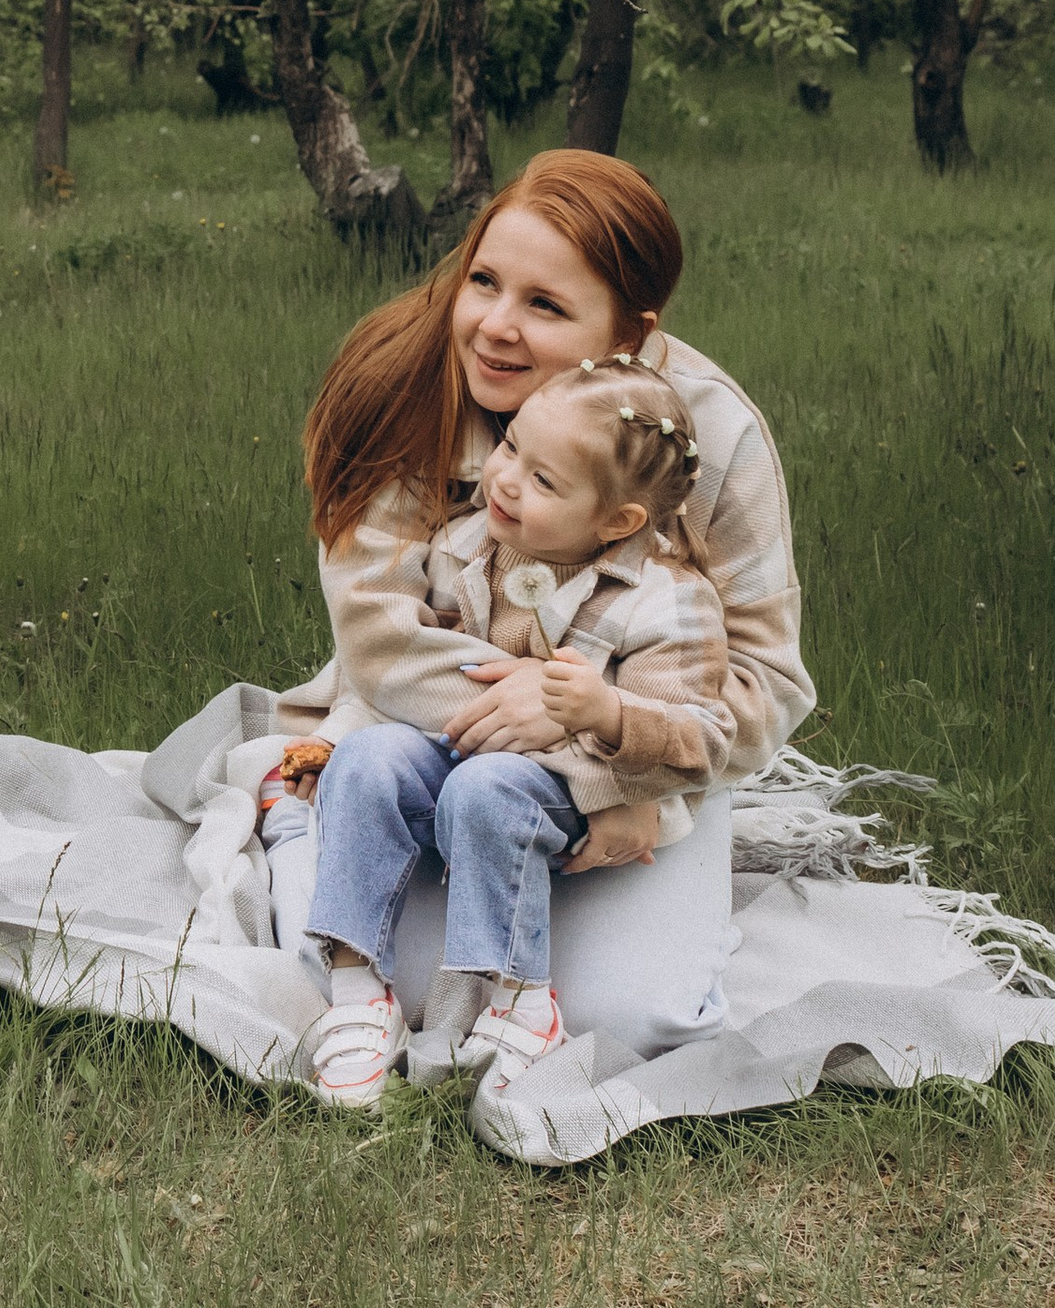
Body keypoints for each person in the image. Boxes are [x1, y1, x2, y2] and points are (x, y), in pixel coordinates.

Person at [269, 147, 812, 1094]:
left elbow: (766, 686)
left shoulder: (706, 439)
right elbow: (383, 644)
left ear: (631, 335)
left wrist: (615, 770)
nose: (494, 327)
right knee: (374, 969)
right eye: (484, 281)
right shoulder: (403, 393)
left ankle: (520, 957)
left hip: (644, 759)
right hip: (418, 729)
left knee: (638, 1017)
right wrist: (550, 725)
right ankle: (298, 816)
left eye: (547, 306)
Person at [263, 353, 735, 1102]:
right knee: (369, 760)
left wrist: (606, 713)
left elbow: (702, 738)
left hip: (560, 794)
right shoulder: (469, 548)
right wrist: (337, 736)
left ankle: (521, 1003)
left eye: (545, 481)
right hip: (455, 758)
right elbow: (405, 681)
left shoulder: (666, 601)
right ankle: (358, 990)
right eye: (511, 447)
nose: (507, 481)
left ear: (616, 521)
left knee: (487, 787)